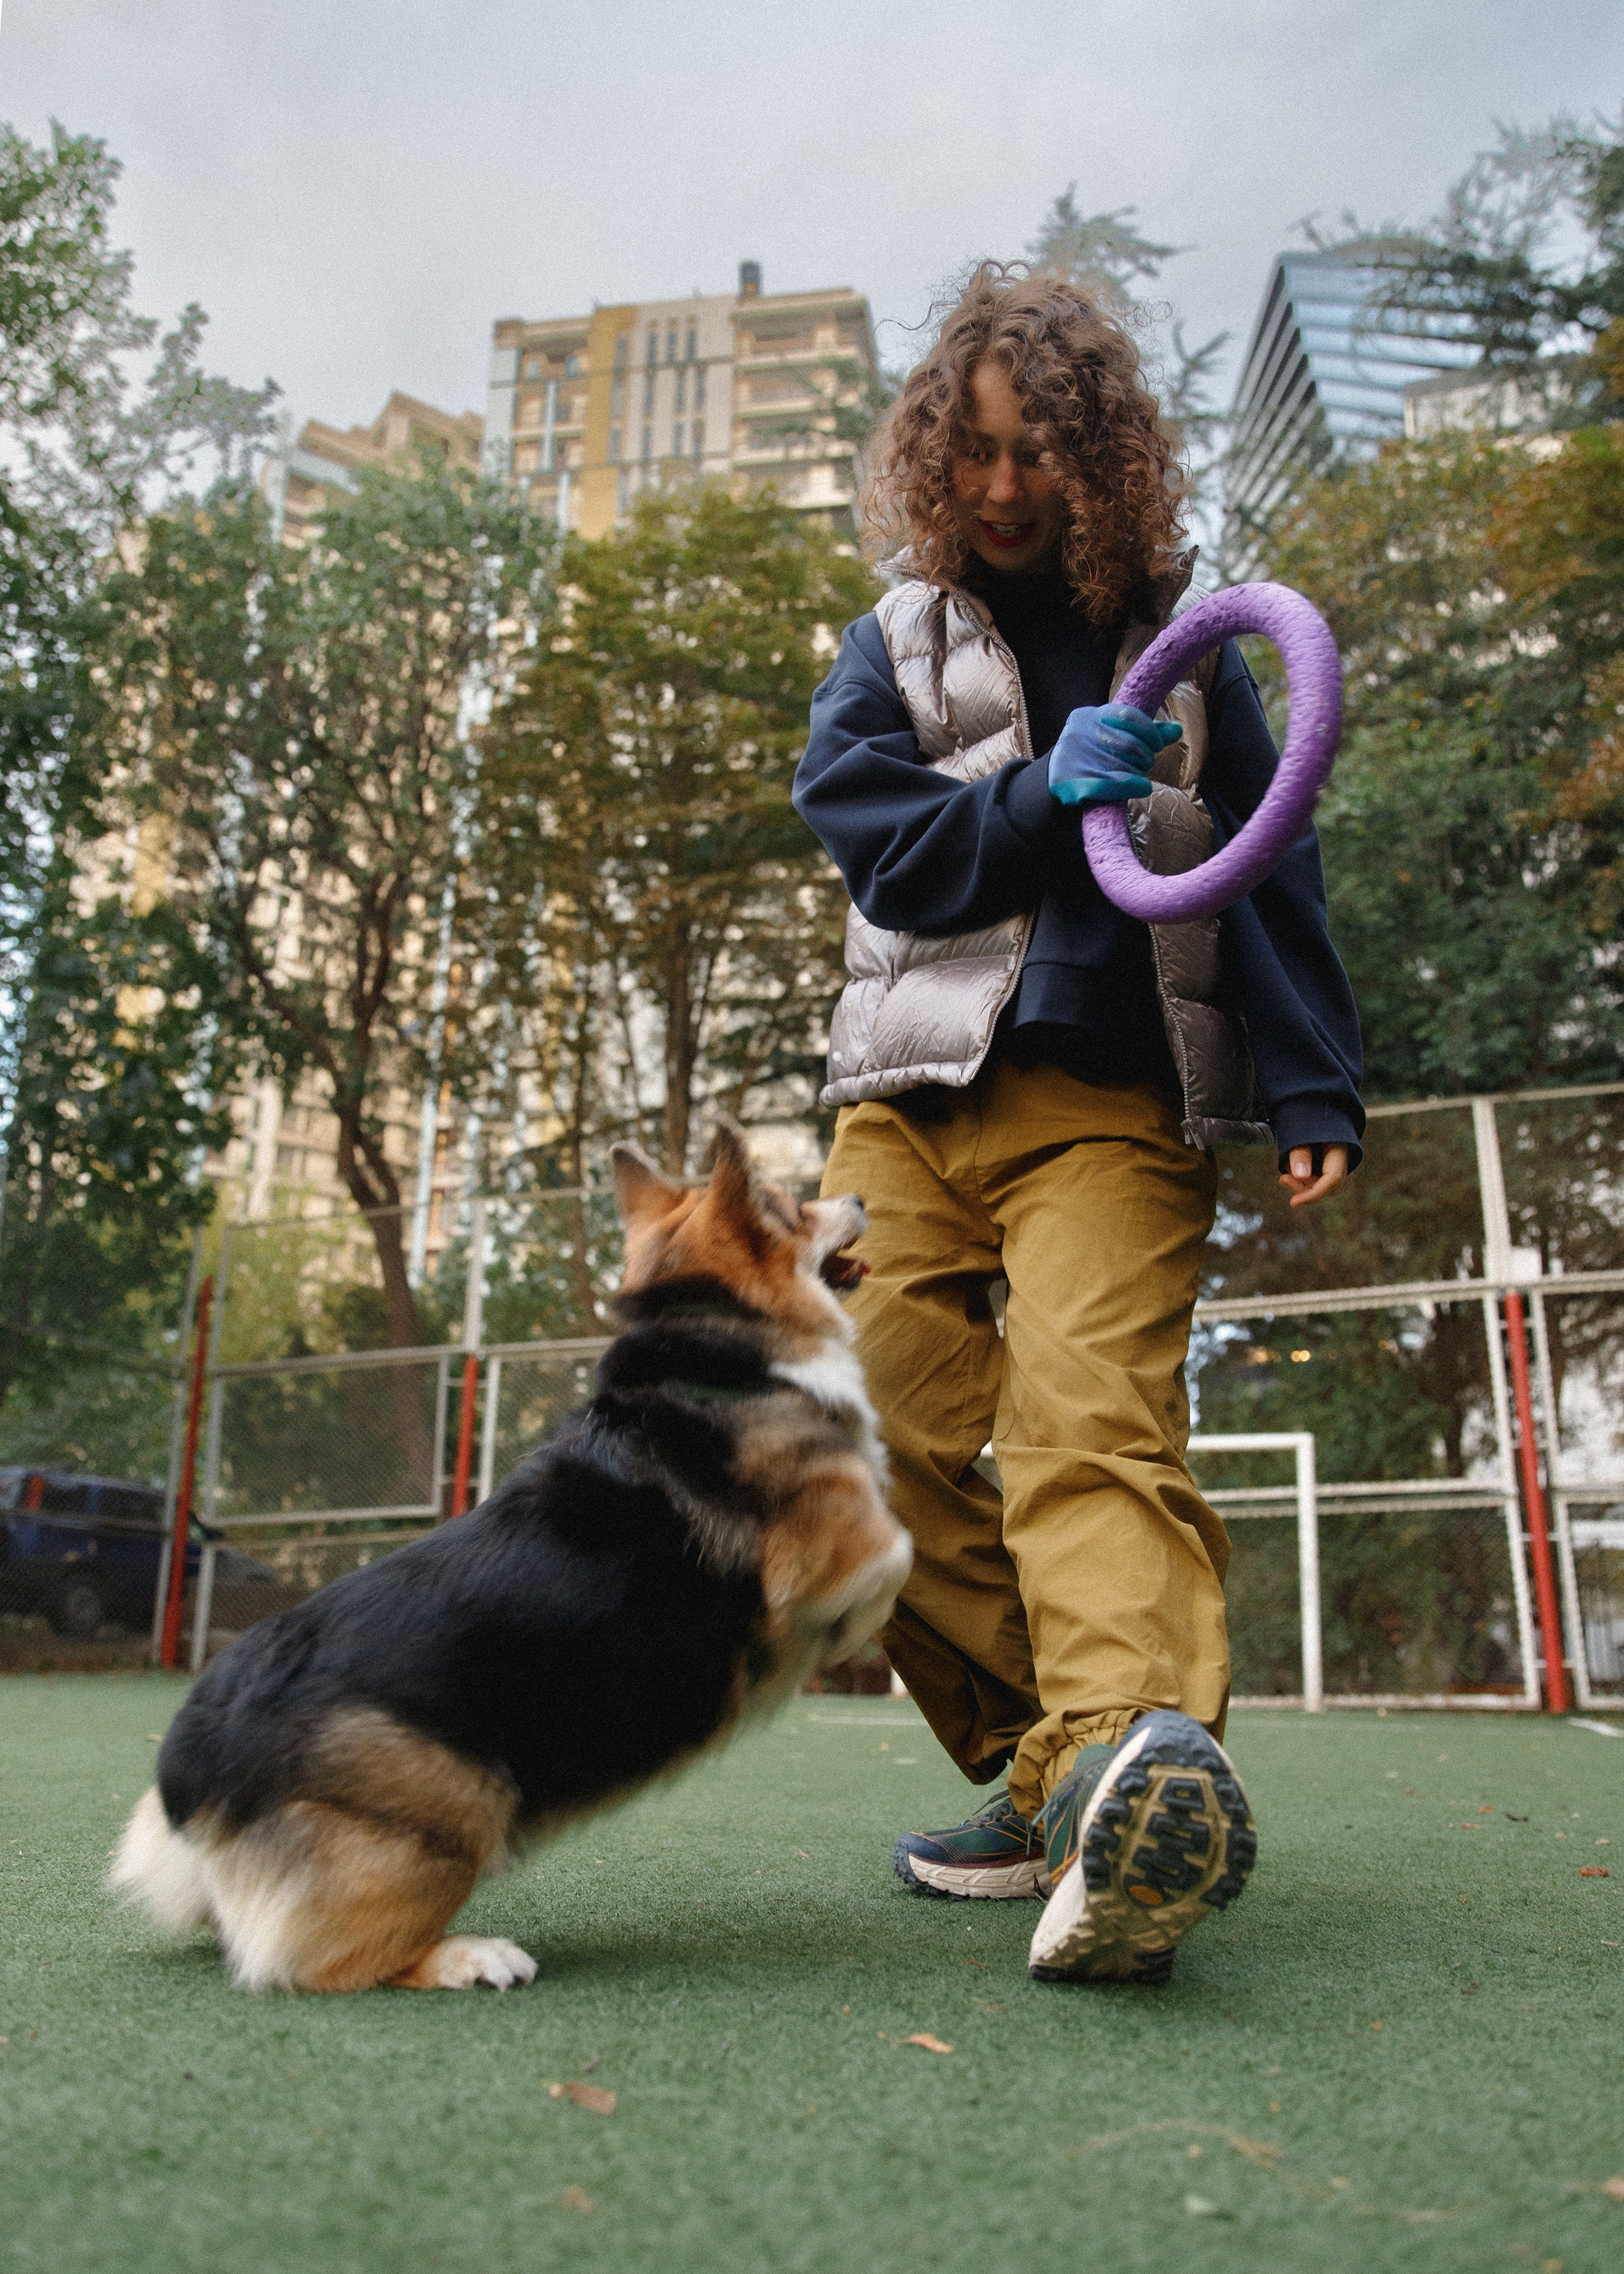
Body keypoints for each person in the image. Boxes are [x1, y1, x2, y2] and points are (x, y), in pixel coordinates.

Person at [791, 266, 1364, 1986]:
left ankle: (1124, 1766)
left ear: (1097, 457)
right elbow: (887, 852)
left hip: (1112, 1102)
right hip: (907, 1111)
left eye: (1036, 450)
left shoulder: (1189, 646)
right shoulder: (892, 644)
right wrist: (1047, 790)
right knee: (848, 1442)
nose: (1000, 484)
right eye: (969, 451)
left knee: (1088, 1427)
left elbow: (1268, 856)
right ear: (929, 456)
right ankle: (1069, 1777)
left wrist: (1313, 1075)